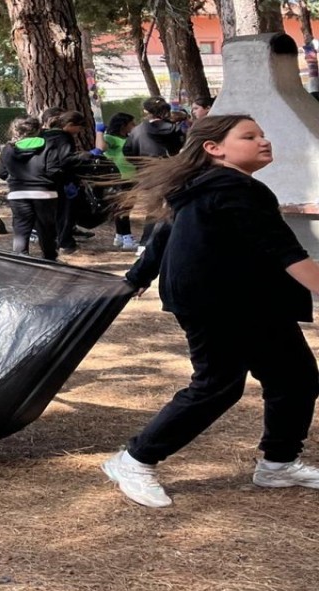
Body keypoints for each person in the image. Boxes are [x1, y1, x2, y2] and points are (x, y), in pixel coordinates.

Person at [103, 115, 319, 508]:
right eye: (249, 136)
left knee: (295, 377)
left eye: (262, 133)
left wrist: (137, 277)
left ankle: (279, 463)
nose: (263, 141)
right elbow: (284, 250)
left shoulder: (206, 186)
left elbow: (164, 234)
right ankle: (134, 460)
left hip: (252, 299)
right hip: (215, 301)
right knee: (218, 385)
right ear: (213, 148)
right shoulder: (234, 187)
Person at [124, 97, 186, 255]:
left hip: (147, 173)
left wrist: (141, 165)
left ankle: (145, 243)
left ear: (146, 111)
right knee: (175, 207)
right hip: (170, 171)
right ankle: (173, 242)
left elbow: (128, 151)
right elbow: (180, 148)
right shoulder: (174, 129)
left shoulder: (137, 131)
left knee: (153, 208)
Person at [0, 115, 60, 260]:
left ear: (15, 130)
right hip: (45, 194)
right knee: (46, 229)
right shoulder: (49, 145)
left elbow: (1, 173)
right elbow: (53, 171)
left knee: (21, 228)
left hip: (18, 194)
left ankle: (21, 259)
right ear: (38, 129)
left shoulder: (8, 148)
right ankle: (50, 258)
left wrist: (16, 179)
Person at [41, 110, 90, 254]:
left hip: (45, 179)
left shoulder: (44, 135)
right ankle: (65, 242)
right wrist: (82, 156)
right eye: (79, 128)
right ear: (69, 125)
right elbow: (66, 159)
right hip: (62, 180)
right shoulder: (64, 137)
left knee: (53, 212)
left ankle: (54, 240)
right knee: (66, 212)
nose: (79, 132)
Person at [96, 112, 138, 250]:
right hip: (120, 178)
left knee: (123, 208)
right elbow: (101, 148)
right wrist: (99, 132)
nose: (134, 126)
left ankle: (120, 236)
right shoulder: (111, 138)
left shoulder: (127, 137)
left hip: (131, 177)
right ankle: (127, 238)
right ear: (123, 125)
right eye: (132, 123)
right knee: (123, 209)